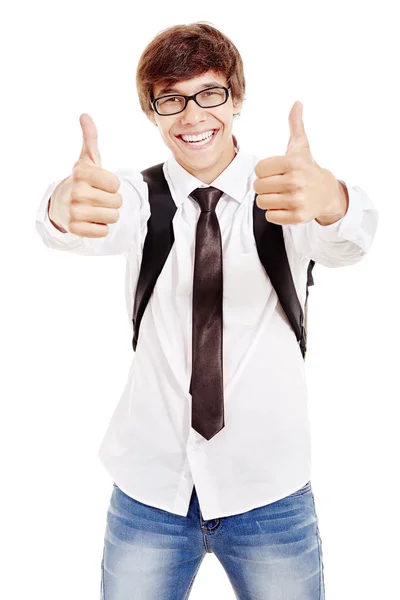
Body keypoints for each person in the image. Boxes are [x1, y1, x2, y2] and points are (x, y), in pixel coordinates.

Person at [35, 21, 378, 600]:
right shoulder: (136, 199)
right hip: (151, 492)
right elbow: (83, 225)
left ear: (236, 97)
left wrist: (332, 200)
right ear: (153, 112)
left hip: (270, 492)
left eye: (209, 93)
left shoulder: (287, 192)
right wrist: (62, 207)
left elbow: (352, 239)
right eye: (170, 99)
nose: (192, 115)